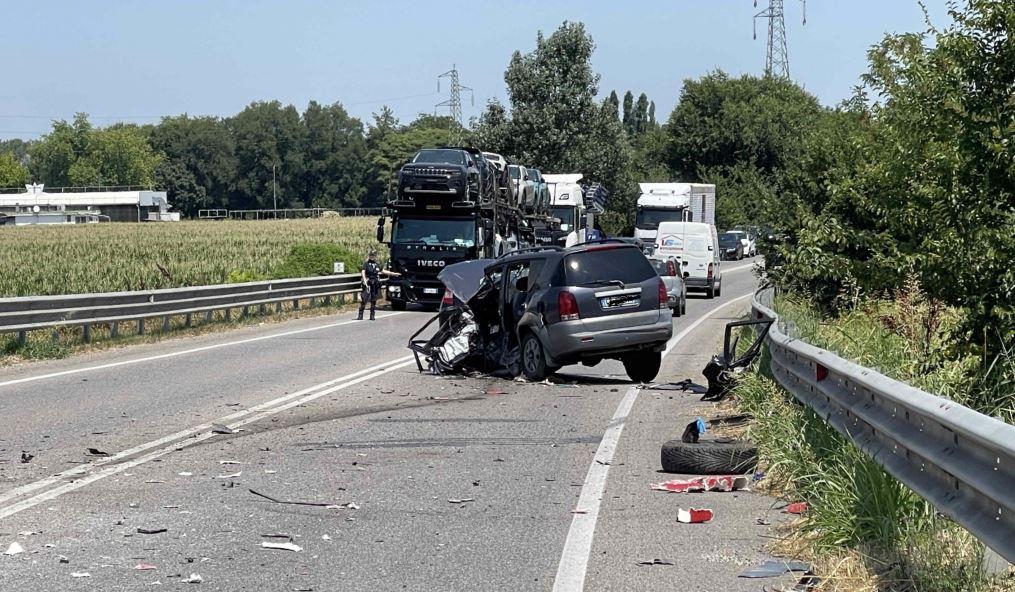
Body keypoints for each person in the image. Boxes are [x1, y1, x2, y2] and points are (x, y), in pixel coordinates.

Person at [358, 250, 399, 320]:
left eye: (373, 255)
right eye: (371, 255)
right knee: (365, 299)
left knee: (374, 300)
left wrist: (394, 274)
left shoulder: (377, 264)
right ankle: (360, 314)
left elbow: (383, 271)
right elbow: (363, 272)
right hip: (368, 283)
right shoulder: (366, 264)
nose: (372, 256)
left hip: (375, 284)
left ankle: (372, 315)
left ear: (375, 256)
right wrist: (365, 281)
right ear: (369, 255)